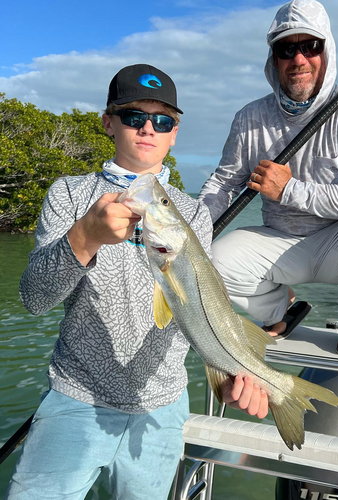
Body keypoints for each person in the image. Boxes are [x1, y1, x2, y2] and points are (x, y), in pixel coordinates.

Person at [6, 64, 267, 500]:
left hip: (162, 409)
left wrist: (231, 372)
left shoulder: (195, 213)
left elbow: (198, 310)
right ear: (108, 122)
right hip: (76, 397)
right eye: (133, 116)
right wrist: (83, 237)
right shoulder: (70, 195)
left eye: (162, 120)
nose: (148, 128)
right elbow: (33, 298)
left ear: (174, 133)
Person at [198, 0, 338, 356]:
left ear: (327, 50)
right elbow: (223, 185)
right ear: (273, 58)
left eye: (310, 46)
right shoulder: (249, 118)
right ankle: (279, 310)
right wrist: (190, 228)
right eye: (286, 48)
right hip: (278, 241)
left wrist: (288, 189)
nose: (299, 59)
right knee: (212, 259)